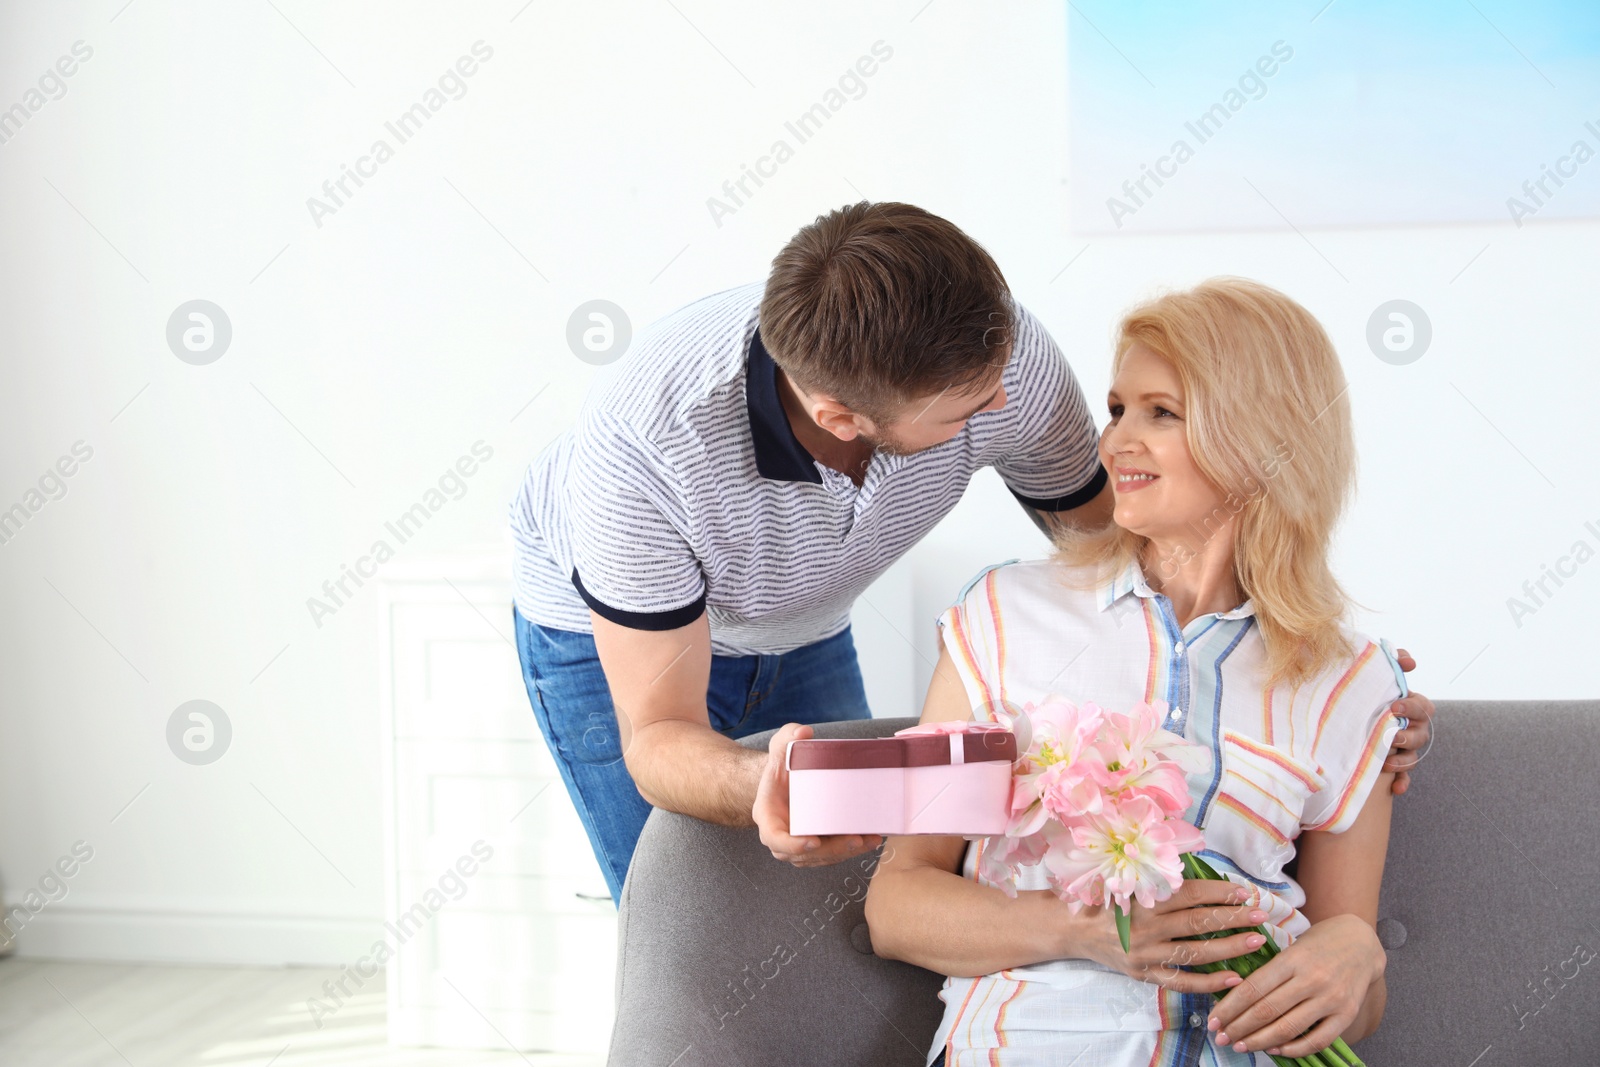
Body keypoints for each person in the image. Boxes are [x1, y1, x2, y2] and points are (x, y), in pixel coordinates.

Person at [509, 202, 1436, 908]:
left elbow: (1134, 559)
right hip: (615, 640)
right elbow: (658, 738)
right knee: (687, 912)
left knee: (831, 905)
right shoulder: (641, 454)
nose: (1010, 408)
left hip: (807, 617)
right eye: (968, 411)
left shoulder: (1001, 355)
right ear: (843, 418)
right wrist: (763, 782)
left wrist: (1331, 685)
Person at [864, 278, 1411, 1065]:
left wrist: (1357, 955)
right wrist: (1087, 930)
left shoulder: (1351, 679)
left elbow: (1353, 999)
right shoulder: (1005, 615)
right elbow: (899, 901)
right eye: (1117, 408)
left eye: (1161, 412)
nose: (1114, 440)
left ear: (1263, 439)